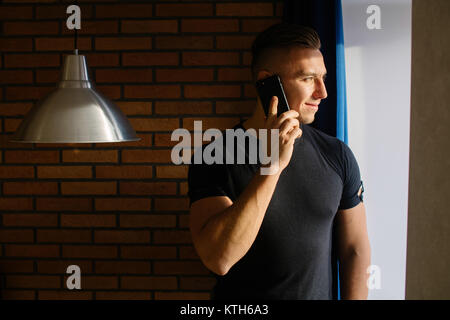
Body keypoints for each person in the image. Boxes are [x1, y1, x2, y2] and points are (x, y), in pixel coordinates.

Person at [187, 23, 371, 300]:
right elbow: (219, 259)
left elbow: (354, 249)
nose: (322, 92)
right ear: (267, 83)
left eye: (323, 78)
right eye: (308, 78)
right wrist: (272, 166)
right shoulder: (213, 156)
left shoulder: (337, 154)